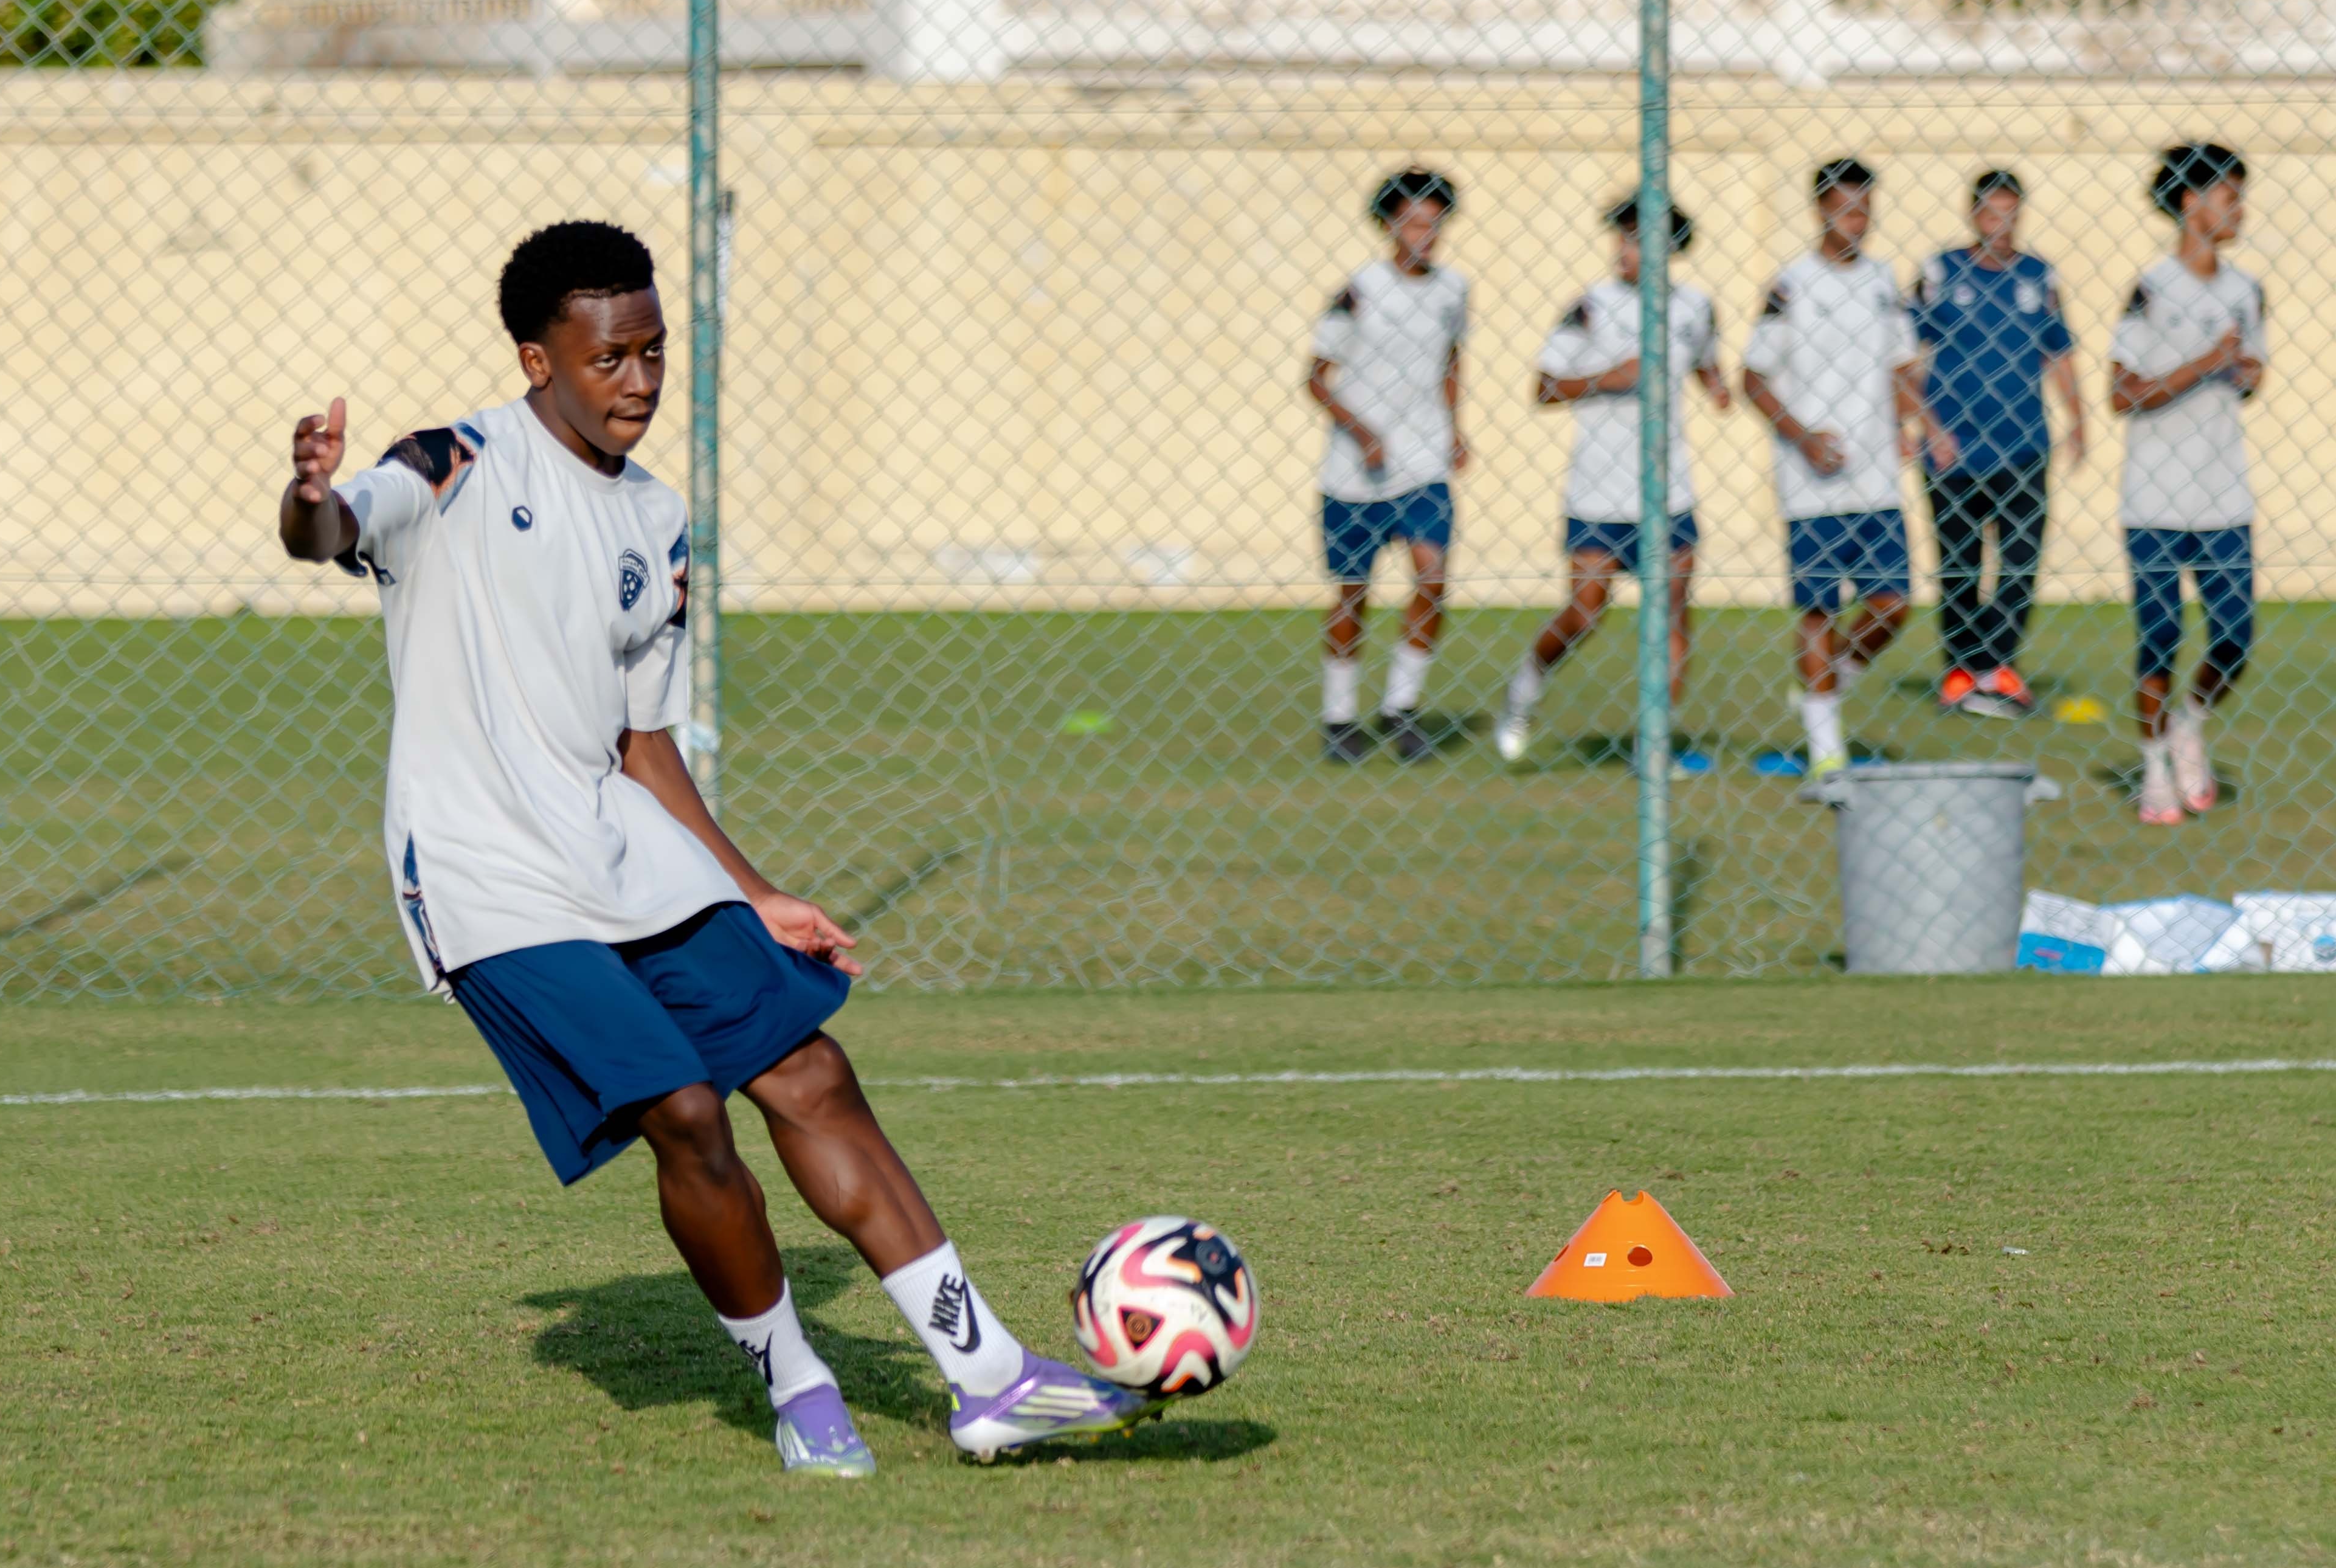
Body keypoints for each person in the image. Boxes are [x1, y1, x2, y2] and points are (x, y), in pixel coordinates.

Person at [275, 221, 1150, 1473]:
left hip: (617, 844)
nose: (637, 380)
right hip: (484, 876)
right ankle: (798, 1385)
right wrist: (311, 494)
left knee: (812, 1074)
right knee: (685, 1109)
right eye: (606, 357)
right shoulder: (455, 462)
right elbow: (332, 530)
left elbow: (645, 743)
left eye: (652, 351)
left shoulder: (655, 520)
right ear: (537, 360)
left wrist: (755, 892)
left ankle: (992, 1378)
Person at [1493, 195, 1733, 769]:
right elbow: (1544, 387)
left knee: (1674, 613)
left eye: (1640, 239)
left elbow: (1703, 361)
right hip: (1599, 492)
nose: (1626, 251)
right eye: (1622, 239)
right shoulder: (1590, 307)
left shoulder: (1694, 307)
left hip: (1668, 490)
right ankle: (1522, 692)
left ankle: (1652, 747)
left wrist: (1718, 387)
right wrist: (1608, 378)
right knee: (1584, 613)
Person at [1744, 157, 1954, 781]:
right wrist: (1803, 437)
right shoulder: (1791, 286)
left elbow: (1897, 367)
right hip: (1811, 480)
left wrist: (1928, 424)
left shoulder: (1884, 281)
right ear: (1820, 211)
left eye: (1865, 208)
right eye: (1844, 208)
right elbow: (1752, 377)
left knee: (1893, 605)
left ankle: (1824, 687)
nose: (1857, 220)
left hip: (1875, 477)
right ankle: (1827, 749)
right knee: (1819, 610)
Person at [2109, 143, 2267, 827]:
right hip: (2153, 494)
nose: (2238, 208)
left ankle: (2188, 723)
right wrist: (2208, 362)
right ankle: (2153, 771)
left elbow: (2253, 370)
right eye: (2228, 194)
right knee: (2161, 638)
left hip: (2223, 494)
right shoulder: (2150, 287)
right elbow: (2123, 393)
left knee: (2235, 636)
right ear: (2190, 202)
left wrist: (2242, 370)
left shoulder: (2246, 290)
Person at [1307, 168, 1474, 763]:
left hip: (1423, 461)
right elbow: (1316, 378)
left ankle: (1401, 708)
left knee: (1432, 577)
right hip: (1355, 471)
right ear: (1390, 225)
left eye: (1435, 222)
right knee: (1354, 593)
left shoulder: (1454, 290)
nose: (1427, 234)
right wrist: (1361, 431)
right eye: (1415, 222)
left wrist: (1455, 429)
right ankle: (1339, 716)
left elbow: (1451, 361)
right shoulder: (1360, 291)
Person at [1912, 169, 2085, 720]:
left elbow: (2057, 352)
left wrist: (2077, 419)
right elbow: (1909, 355)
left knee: (2018, 563)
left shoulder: (2038, 276)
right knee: (1959, 564)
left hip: (2023, 445)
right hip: (1953, 450)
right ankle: (1962, 670)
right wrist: (1915, 423)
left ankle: (1998, 667)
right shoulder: (1940, 272)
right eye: (1991, 213)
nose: (2001, 225)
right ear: (1973, 215)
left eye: (2011, 214)